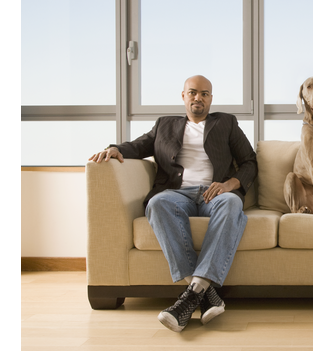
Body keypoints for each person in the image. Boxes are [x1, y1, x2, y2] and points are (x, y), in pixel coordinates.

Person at [89, 75, 258, 332]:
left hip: (215, 193)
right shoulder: (164, 125)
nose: (198, 98)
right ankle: (202, 291)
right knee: (157, 204)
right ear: (183, 96)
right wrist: (115, 148)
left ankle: (187, 300)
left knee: (232, 205)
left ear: (211, 99)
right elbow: (137, 146)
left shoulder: (226, 123)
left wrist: (228, 185)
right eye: (192, 92)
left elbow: (249, 161)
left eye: (204, 94)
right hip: (177, 193)